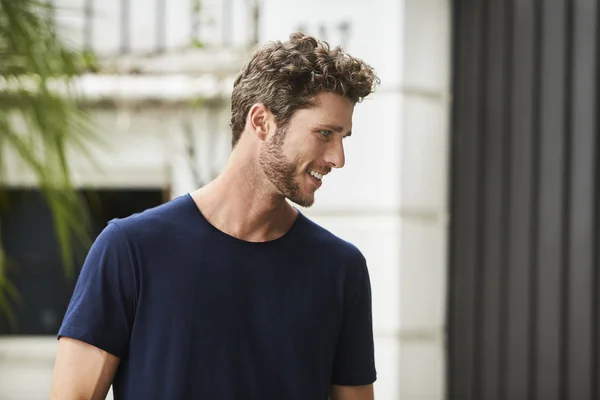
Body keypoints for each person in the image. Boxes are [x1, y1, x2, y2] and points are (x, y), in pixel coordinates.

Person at [49, 32, 380, 400]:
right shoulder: (131, 249)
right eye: (324, 134)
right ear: (261, 122)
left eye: (343, 137)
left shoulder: (340, 269)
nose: (338, 158)